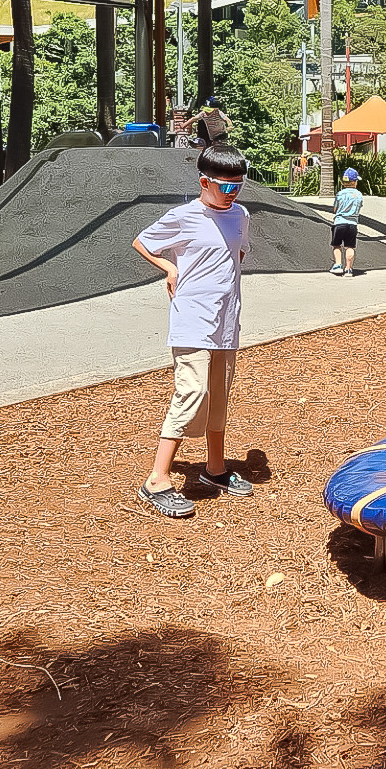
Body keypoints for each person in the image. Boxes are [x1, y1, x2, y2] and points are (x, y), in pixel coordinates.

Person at [131, 143, 252, 519]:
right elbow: (142, 242)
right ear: (204, 182)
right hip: (192, 321)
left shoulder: (241, 215)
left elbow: (237, 256)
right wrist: (170, 268)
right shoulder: (183, 216)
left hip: (226, 322)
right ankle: (157, 479)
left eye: (239, 185)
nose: (233, 193)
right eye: (226, 186)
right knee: (192, 393)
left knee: (218, 397)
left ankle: (215, 469)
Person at [330, 167, 364, 276]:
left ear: (344, 182)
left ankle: (338, 265)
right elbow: (359, 207)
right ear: (354, 182)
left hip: (339, 223)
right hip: (352, 224)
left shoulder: (340, 194)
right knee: (350, 247)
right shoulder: (359, 195)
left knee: (336, 245)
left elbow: (335, 209)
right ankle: (349, 269)